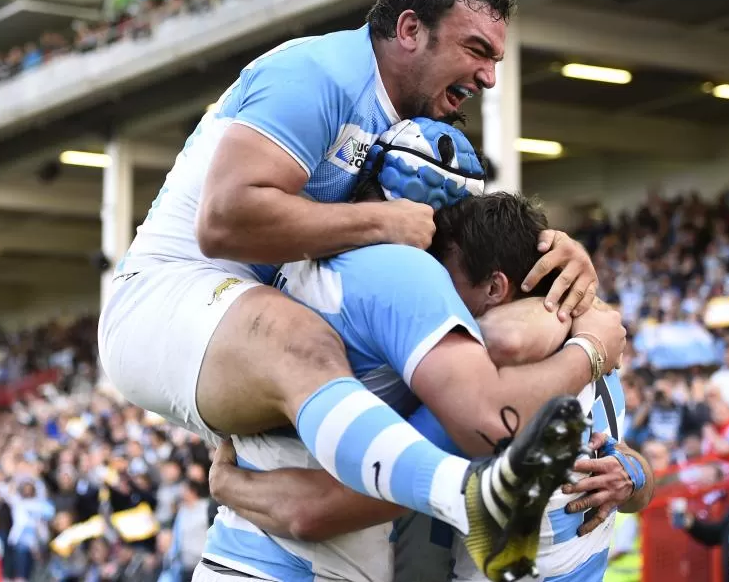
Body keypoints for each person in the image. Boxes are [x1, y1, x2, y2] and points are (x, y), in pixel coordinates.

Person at [98, 0, 601, 579]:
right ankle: (466, 495)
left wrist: (556, 255)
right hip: (167, 294)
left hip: (257, 359)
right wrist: (593, 343)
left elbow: (480, 253)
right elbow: (224, 219)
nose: (490, 76)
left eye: (496, 58)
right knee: (305, 343)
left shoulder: (413, 132)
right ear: (411, 30)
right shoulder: (315, 72)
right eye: (476, 50)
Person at [196, 123, 634, 581]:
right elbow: (628, 464)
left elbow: (315, 511)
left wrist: (229, 485)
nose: (436, 300)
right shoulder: (560, 354)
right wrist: (589, 341)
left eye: (446, 280)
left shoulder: (483, 386)